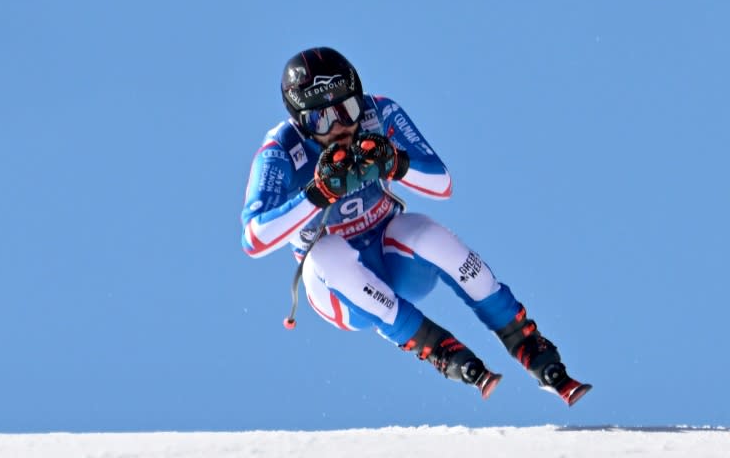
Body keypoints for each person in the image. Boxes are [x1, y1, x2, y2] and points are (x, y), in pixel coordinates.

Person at [240, 46, 591, 405]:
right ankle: (438, 348)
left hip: (395, 261)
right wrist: (317, 194)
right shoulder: (281, 149)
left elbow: (443, 183)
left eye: (347, 109)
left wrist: (396, 163)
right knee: (326, 252)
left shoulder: (379, 114)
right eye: (321, 120)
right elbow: (254, 238)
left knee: (421, 229)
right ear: (300, 121)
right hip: (339, 292)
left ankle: (528, 343)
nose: (340, 128)